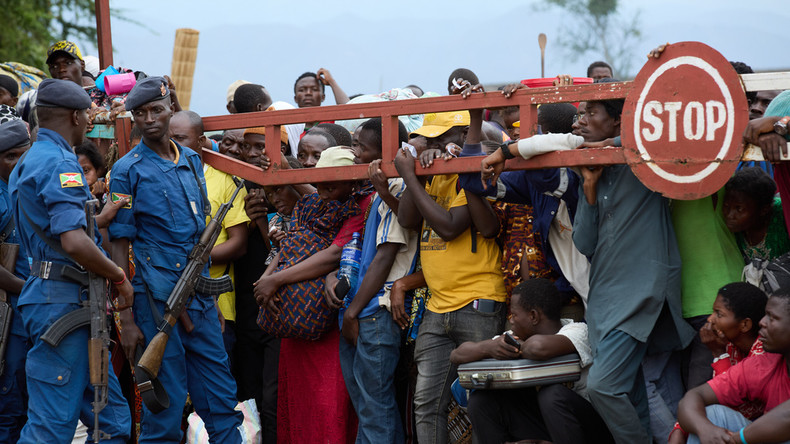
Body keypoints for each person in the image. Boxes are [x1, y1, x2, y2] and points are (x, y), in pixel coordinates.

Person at [108, 76, 245, 443]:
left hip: (198, 296)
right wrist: (125, 315)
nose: (149, 118)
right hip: (156, 302)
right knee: (164, 415)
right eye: (140, 113)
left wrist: (211, 299)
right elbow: (118, 243)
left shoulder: (192, 160)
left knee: (221, 401)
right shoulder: (127, 170)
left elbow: (197, 235)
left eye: (156, 109)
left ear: (171, 109)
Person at [9, 78, 132, 443]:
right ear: (77, 117)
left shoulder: (29, 158)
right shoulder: (60, 162)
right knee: (51, 427)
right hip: (62, 303)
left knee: (113, 422)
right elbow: (75, 241)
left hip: (63, 299)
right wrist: (118, 276)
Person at [571, 87, 694, 443]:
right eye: (580, 113)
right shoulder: (590, 169)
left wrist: (608, 144)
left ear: (616, 119)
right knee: (631, 390)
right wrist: (589, 189)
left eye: (592, 112)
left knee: (603, 386)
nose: (582, 120)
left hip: (640, 291)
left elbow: (657, 135)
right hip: (605, 296)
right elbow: (583, 242)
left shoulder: (641, 158)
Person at [395, 110, 508, 444]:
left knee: (482, 402)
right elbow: (406, 219)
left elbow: (447, 228)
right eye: (428, 139)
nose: (432, 145)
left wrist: (415, 178)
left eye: (439, 138)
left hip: (478, 302)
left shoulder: (471, 173)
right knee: (427, 404)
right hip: (438, 306)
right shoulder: (435, 173)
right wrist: (416, 175)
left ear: (462, 136)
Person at [255, 146, 366, 443]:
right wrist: (269, 280)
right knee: (299, 406)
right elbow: (292, 246)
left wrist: (274, 280)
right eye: (319, 182)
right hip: (295, 321)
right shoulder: (312, 205)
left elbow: (333, 256)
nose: (324, 189)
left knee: (328, 403)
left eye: (331, 182)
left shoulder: (359, 207)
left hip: (326, 324)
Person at [330, 118, 417, 443]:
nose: (354, 153)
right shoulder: (382, 193)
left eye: (361, 147)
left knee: (375, 408)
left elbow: (384, 258)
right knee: (367, 406)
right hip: (363, 309)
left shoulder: (397, 189)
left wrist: (353, 312)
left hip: (374, 312)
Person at [451, 279, 613, 444]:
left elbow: (538, 348)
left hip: (587, 428)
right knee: (481, 401)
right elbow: (457, 355)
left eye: (514, 314)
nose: (511, 320)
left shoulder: (578, 331)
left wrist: (515, 346)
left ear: (533, 316)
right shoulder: (515, 337)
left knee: (552, 395)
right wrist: (488, 347)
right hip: (546, 425)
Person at [677, 293, 790, 444]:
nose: (762, 322)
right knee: (712, 415)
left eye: (772, 318)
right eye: (765, 315)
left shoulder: (759, 351)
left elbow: (786, 416)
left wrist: (733, 440)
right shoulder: (765, 363)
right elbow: (693, 396)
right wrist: (705, 430)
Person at [0, 118, 30, 442]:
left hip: (32, 312)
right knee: (9, 410)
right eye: (10, 157)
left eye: (24, 155)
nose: (19, 164)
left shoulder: (32, 185)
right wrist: (30, 288)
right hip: (9, 316)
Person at [723, 167, 790, 262]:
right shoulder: (734, 231)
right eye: (726, 206)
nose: (730, 215)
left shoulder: (783, 214)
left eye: (739, 209)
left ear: (764, 209)